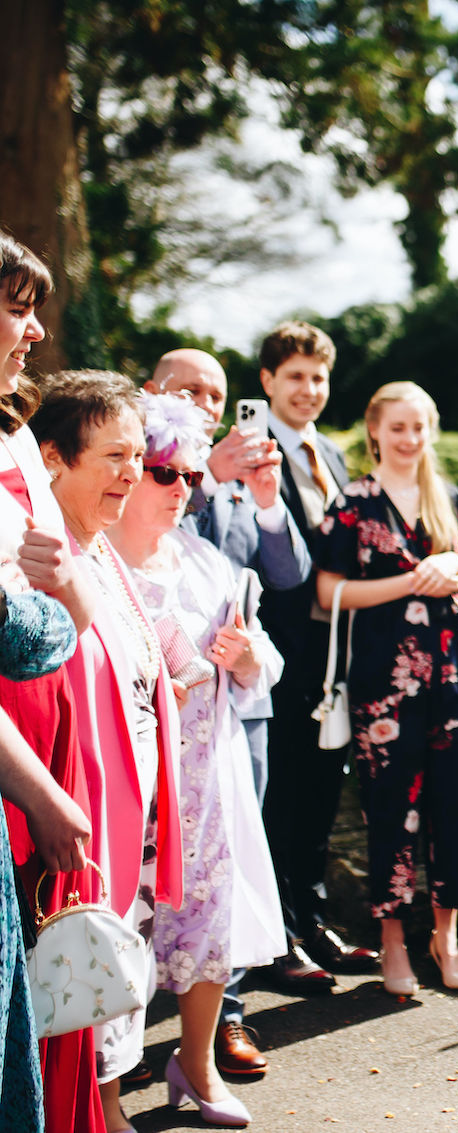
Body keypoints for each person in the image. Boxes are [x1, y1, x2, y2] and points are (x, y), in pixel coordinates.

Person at [107, 391, 288, 1126]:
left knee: (204, 925)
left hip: (205, 779)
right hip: (126, 778)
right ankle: (105, 1091)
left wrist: (247, 658)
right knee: (124, 929)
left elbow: (262, 663)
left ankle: (198, 1065)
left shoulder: (207, 563)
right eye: (163, 472)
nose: (182, 488)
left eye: (189, 474)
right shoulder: (98, 558)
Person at [145, 347, 311, 1076]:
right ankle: (139, 1022)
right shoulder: (170, 467)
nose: (208, 402)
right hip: (170, 704)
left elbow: (289, 575)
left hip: (243, 705)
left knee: (233, 863)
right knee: (153, 869)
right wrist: (204, 475)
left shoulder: (240, 476)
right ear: (154, 392)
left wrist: (267, 497)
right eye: (190, 389)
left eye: (217, 391)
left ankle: (227, 1019)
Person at [34, 370, 185, 1133]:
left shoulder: (105, 555)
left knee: (115, 974)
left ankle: (110, 1103)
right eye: (114, 456)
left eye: (138, 454)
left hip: (129, 815)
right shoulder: (43, 557)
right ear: (54, 457)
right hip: (72, 820)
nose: (132, 472)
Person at [315, 381, 458, 995]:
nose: (409, 439)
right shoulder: (352, 504)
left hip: (452, 674)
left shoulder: (448, 498)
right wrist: (411, 581)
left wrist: (456, 571)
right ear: (375, 432)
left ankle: (445, 938)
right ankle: (392, 942)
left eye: (419, 427)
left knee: (456, 805)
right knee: (390, 807)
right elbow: (327, 593)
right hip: (383, 683)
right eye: (398, 428)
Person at [0, 232, 108, 1133]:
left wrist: (64, 590)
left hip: (48, 697)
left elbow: (63, 586)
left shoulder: (10, 430)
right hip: (10, 731)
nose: (34, 330)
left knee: (48, 947)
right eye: (16, 306)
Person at [253, 321, 378, 994]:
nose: (309, 388)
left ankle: (315, 917)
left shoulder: (330, 452)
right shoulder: (251, 450)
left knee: (322, 794)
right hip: (279, 654)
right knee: (282, 797)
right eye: (295, 375)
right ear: (268, 380)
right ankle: (278, 939)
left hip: (334, 655)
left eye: (318, 377)